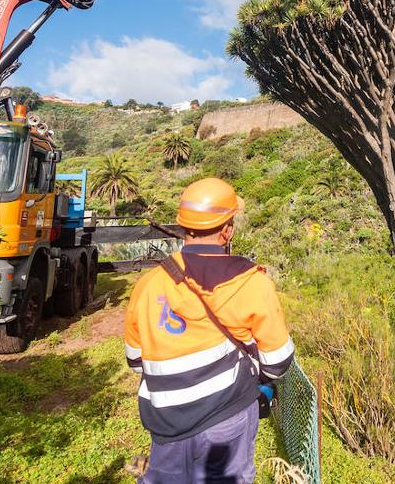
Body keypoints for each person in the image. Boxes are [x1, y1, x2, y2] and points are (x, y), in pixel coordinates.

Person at [124, 177, 294, 484]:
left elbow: (136, 361)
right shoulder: (251, 282)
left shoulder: (147, 286)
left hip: (166, 426)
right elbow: (278, 363)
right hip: (227, 423)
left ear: (183, 227)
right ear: (227, 229)